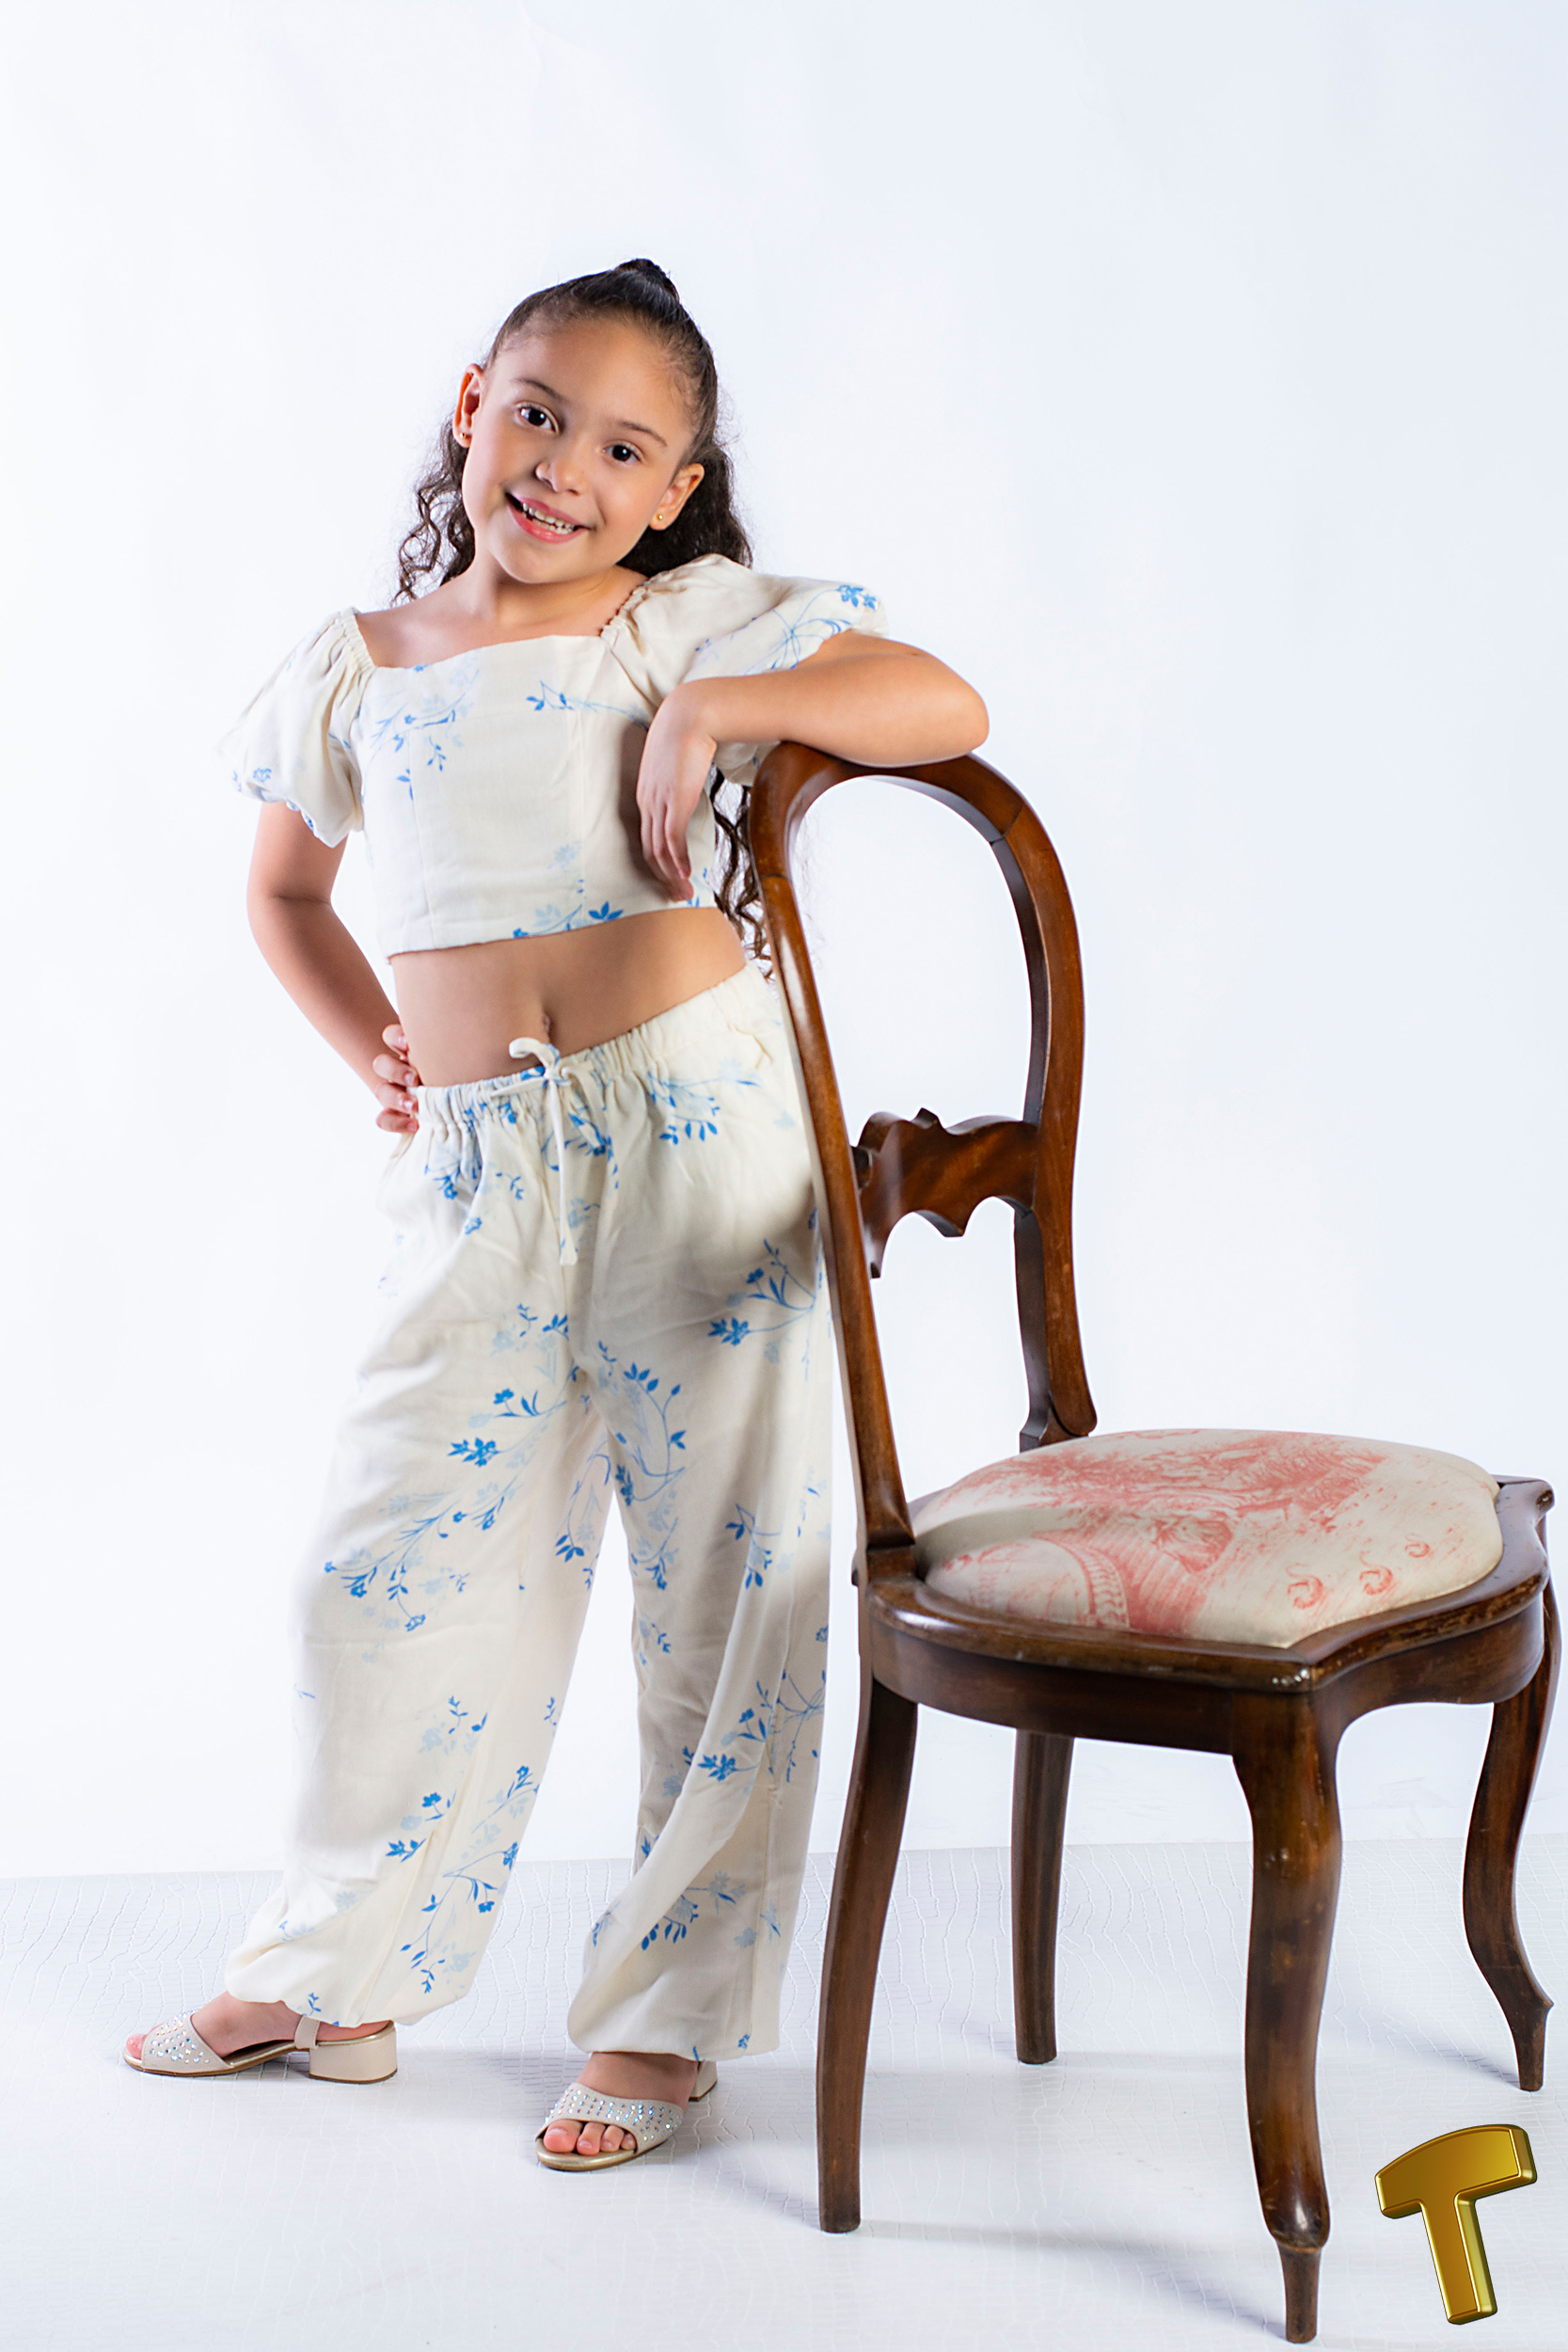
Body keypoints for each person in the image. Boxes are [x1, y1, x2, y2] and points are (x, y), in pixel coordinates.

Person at [124, 259, 987, 2168]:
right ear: (470, 406)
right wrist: (373, 1046)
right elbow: (284, 893)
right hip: (477, 1172)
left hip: (701, 1136)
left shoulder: (683, 622)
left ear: (675, 489)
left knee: (724, 1577)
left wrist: (721, 708)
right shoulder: (359, 661)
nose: (562, 468)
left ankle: (669, 2022)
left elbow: (944, 700)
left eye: (620, 447)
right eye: (536, 414)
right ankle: (335, 1967)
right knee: (381, 1568)